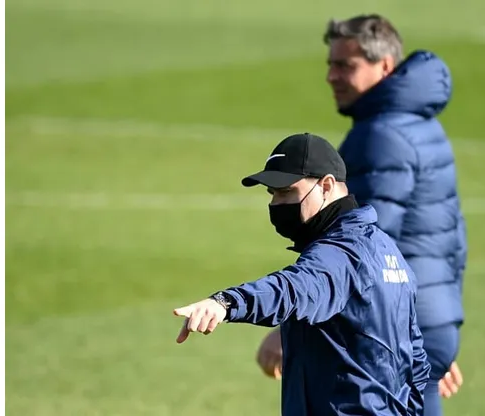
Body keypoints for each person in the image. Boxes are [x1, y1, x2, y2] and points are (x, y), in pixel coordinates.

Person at [255, 14, 468, 416]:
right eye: (330, 64)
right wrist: (436, 330)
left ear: (384, 65)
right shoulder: (423, 127)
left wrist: (290, 325)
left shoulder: (380, 135)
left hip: (387, 324)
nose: (331, 76)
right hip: (424, 318)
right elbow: (451, 238)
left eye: (345, 65)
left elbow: (362, 244)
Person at [173, 133, 431, 416]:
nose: (276, 204)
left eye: (286, 192)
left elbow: (292, 289)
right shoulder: (386, 250)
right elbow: (415, 360)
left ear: (326, 185)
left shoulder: (339, 255)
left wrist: (227, 302)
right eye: (272, 193)